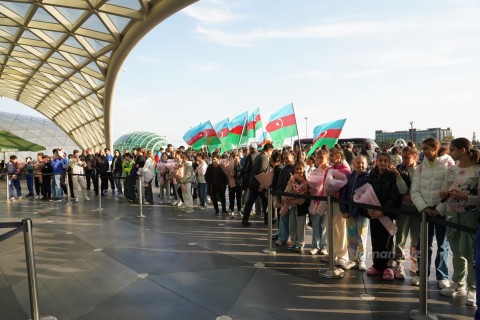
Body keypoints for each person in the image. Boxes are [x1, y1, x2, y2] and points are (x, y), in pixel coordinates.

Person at [439, 138, 479, 306]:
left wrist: (463, 197)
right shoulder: (452, 170)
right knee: (456, 249)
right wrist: (444, 194)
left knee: (469, 252)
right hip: (451, 214)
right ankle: (458, 283)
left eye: (453, 150)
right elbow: (443, 190)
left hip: (470, 216)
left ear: (463, 150)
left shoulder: (477, 171)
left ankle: (473, 288)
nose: (450, 153)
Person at [411, 137, 454, 289]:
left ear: (435, 148)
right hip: (425, 212)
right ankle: (421, 274)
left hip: (442, 212)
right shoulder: (420, 168)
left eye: (426, 149)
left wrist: (439, 209)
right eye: (422, 149)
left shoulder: (449, 165)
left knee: (443, 245)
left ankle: (442, 275)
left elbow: (452, 190)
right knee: (423, 245)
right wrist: (424, 207)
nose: (423, 152)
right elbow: (414, 190)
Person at [366, 152, 402, 280]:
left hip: (386, 214)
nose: (382, 163)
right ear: (376, 161)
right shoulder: (372, 175)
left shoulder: (392, 177)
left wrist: (383, 211)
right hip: (374, 214)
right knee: (375, 240)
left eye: (385, 161)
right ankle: (377, 265)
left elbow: (393, 196)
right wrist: (369, 209)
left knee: (387, 241)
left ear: (389, 163)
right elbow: (366, 192)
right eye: (380, 160)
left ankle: (388, 266)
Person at [389, 146, 419, 279]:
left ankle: (415, 261)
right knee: (401, 236)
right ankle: (399, 263)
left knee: (417, 237)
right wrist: (397, 176)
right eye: (403, 157)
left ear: (415, 156)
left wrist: (415, 197)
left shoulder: (421, 170)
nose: (405, 160)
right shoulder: (400, 169)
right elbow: (401, 191)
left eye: (407, 157)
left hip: (418, 208)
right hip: (404, 207)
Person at [322, 147, 351, 268]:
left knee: (341, 228)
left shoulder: (346, 171)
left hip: (341, 204)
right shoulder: (329, 169)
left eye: (332, 156)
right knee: (330, 227)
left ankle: (342, 256)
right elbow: (325, 185)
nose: (330, 158)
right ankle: (331, 251)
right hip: (330, 203)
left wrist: (336, 194)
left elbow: (347, 189)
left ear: (339, 156)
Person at [340, 155, 370, 270]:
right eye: (358, 163)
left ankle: (361, 260)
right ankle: (352, 259)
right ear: (354, 164)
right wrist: (344, 210)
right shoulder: (349, 177)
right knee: (351, 237)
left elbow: (365, 197)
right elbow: (344, 194)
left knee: (362, 238)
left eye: (362, 163)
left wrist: (355, 213)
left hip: (361, 214)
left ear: (366, 165)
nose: (360, 165)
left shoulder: (367, 178)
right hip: (349, 214)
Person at [241, 143, 275, 226]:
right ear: (269, 150)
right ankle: (267, 219)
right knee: (264, 202)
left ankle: (245, 219)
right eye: (271, 151)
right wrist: (261, 184)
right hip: (258, 184)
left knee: (251, 202)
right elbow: (261, 172)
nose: (271, 153)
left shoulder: (258, 156)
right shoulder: (264, 158)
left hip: (253, 183)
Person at [308, 149, 330, 255]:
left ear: (327, 157)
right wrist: (311, 190)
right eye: (318, 157)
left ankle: (324, 245)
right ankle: (315, 245)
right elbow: (311, 184)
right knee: (316, 223)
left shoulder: (331, 170)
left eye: (322, 157)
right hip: (316, 201)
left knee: (325, 224)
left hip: (326, 201)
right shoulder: (315, 170)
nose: (320, 159)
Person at [284, 161, 309, 251]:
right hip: (292, 205)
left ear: (303, 169)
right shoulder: (291, 179)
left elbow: (304, 195)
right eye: (297, 169)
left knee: (300, 225)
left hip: (300, 205)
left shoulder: (306, 181)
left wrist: (293, 199)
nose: (299, 171)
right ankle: (294, 242)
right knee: (292, 224)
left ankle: (300, 243)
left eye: (300, 169)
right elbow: (287, 189)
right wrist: (287, 197)